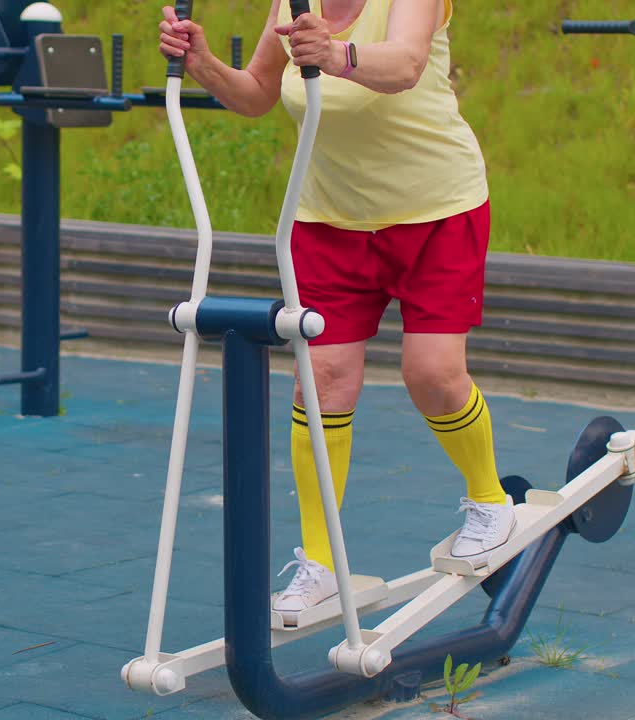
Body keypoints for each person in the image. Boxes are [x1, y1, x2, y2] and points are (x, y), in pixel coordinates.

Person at [158, 0, 515, 625]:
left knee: (432, 374)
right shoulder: (291, 2)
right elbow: (259, 92)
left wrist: (337, 53)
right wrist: (204, 64)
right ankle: (321, 563)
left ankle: (491, 500)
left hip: (436, 208)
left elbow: (404, 64)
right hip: (328, 220)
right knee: (321, 381)